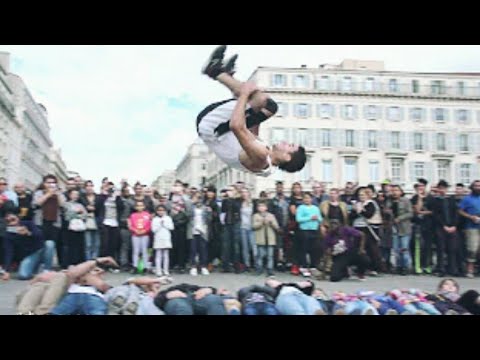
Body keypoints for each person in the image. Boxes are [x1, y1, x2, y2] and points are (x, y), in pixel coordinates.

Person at [198, 45, 306, 176]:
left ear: (287, 157)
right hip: (221, 130)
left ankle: (216, 71)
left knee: (259, 99)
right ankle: (224, 74)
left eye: (289, 146)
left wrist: (244, 94)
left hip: (211, 125)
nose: (285, 142)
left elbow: (236, 126)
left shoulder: (261, 156)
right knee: (268, 107)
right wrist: (258, 116)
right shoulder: (265, 158)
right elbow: (251, 134)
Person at [2, 211, 55, 281]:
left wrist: (28, 233)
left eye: (13, 219)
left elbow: (41, 235)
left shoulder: (28, 223)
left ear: (18, 218)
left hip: (39, 249)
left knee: (49, 243)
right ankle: (35, 271)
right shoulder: (8, 234)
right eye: (8, 221)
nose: (11, 222)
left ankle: (47, 271)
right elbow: (9, 252)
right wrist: (6, 271)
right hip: (28, 256)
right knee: (23, 275)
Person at [253, 201, 280, 276]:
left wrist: (271, 223)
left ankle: (270, 269)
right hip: (260, 239)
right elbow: (254, 226)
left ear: (266, 208)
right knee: (260, 255)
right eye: (259, 206)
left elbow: (277, 227)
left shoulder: (271, 216)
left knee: (270, 256)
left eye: (263, 206)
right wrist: (261, 223)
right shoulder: (255, 216)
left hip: (270, 238)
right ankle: (259, 269)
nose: (261, 208)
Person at [152, 205, 174, 276]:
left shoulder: (168, 218)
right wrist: (159, 225)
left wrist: (164, 224)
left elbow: (171, 227)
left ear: (165, 211)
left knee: (166, 255)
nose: (161, 212)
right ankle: (158, 270)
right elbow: (153, 230)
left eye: (162, 210)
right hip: (158, 237)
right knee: (158, 255)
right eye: (159, 210)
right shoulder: (155, 219)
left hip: (166, 237)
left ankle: (166, 270)